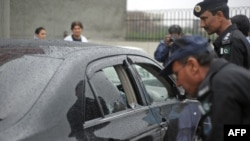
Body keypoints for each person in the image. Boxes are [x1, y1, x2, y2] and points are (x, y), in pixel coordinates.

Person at [159, 35, 250, 141]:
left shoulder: (221, 85)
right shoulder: (222, 79)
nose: (178, 83)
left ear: (192, 65)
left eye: (177, 74)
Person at [193, 0, 250, 69]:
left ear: (219, 15)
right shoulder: (230, 38)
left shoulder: (231, 41)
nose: (201, 25)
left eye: (204, 19)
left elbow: (229, 77)